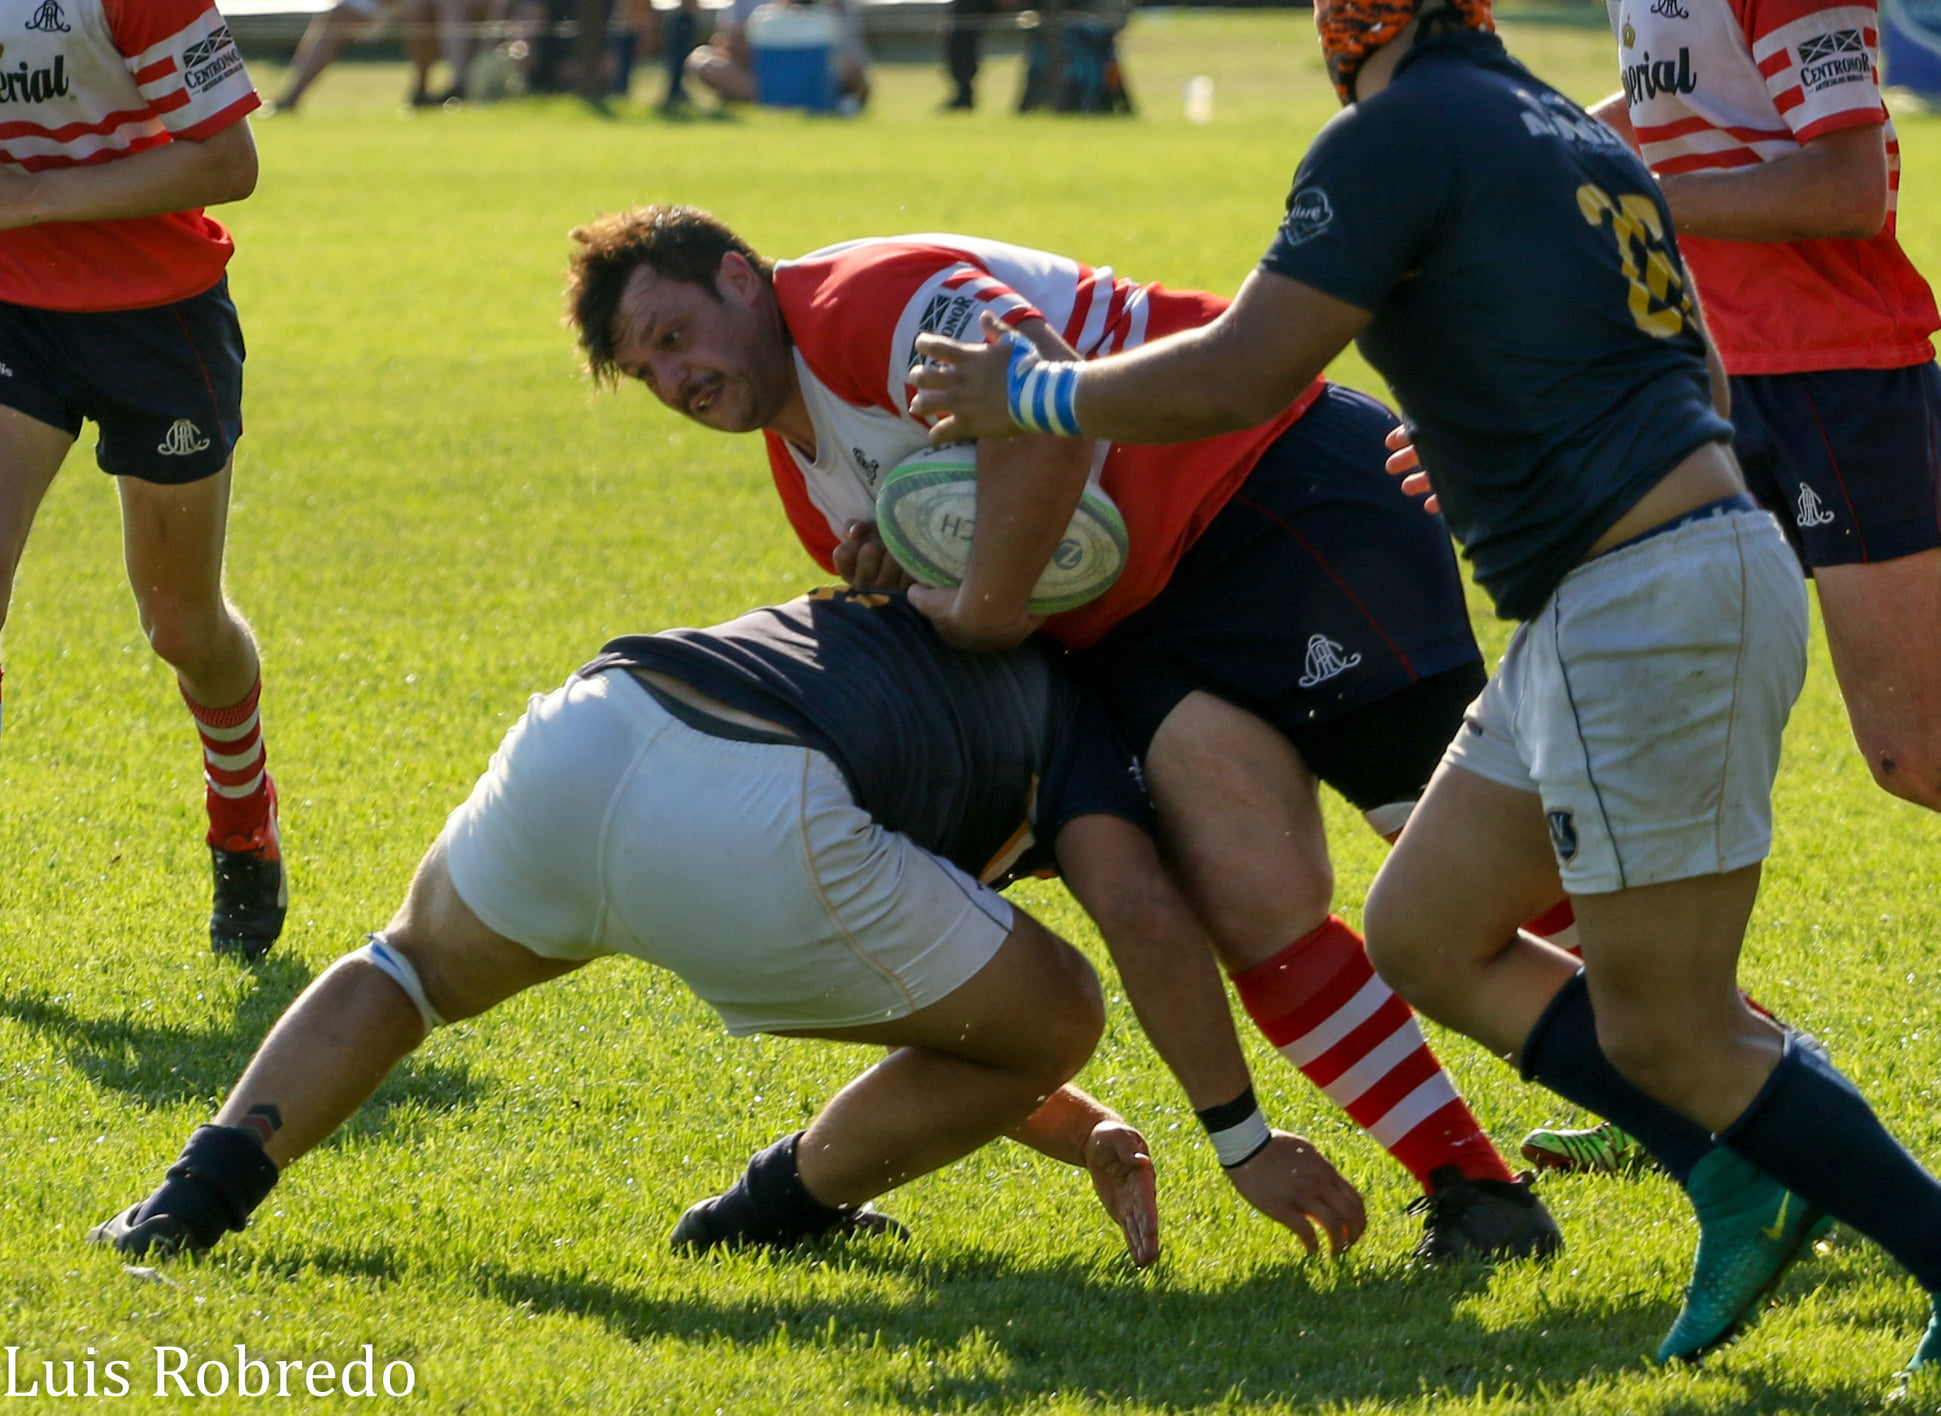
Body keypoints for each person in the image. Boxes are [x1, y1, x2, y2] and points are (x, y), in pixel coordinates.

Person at [906, 0, 1941, 1373]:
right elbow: (1686, 359)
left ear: (1352, 31)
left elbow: (1243, 370)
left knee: (1667, 1025)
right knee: (1427, 929)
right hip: (1628, 579)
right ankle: (1748, 1168)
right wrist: (1509, 453)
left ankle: (1859, 1212)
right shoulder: (1567, 124)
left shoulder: (1394, 133)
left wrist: (1031, 394)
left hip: (1644, 595)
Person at [562, 208, 1565, 1262]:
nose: (677, 383)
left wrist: (980, 603)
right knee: (1247, 898)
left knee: (1471, 857)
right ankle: (1479, 1193)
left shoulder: (862, 303)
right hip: (1144, 623)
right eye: (647, 373)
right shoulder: (810, 482)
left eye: (674, 338)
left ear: (737, 278)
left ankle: (1723, 1075)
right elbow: (992, 598)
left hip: (1273, 491)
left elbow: (1046, 396)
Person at [86, 588, 1350, 1264]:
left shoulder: (934, 618)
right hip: (758, 810)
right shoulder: (1093, 720)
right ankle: (764, 1221)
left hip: (596, 722)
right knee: (1063, 1007)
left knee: (405, 970)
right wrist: (1238, 1142)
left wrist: (1079, 1130)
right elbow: (1127, 918)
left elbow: (936, 987)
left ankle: (187, 1208)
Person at [1519, 0, 1941, 1184]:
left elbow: (1848, 186)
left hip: (1839, 383)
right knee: (1660, 746)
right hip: (1695, 378)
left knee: (1918, 755)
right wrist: (1526, 146)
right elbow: (1663, 120)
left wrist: (1630, 199)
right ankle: (1697, 1076)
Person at [0, 0, 286, 960]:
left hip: (158, 322)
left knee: (182, 627)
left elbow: (227, 162)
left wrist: (33, 198)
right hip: (9, 310)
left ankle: (243, 822)